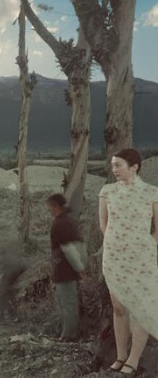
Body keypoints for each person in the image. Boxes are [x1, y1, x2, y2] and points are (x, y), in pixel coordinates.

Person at [99, 149, 158, 375]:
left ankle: (134, 359)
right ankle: (121, 355)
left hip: (142, 261)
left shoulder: (152, 193)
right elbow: (104, 224)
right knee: (119, 307)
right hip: (114, 258)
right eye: (112, 165)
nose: (114, 170)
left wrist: (143, 249)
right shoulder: (108, 191)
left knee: (140, 309)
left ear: (134, 167)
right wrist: (116, 246)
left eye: (118, 165)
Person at [46, 193, 86, 341]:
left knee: (68, 303)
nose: (49, 210)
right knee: (65, 301)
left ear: (57, 207)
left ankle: (68, 336)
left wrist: (79, 268)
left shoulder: (61, 223)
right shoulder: (69, 220)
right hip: (64, 268)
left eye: (50, 207)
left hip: (65, 269)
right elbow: (79, 246)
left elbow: (69, 249)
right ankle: (65, 332)